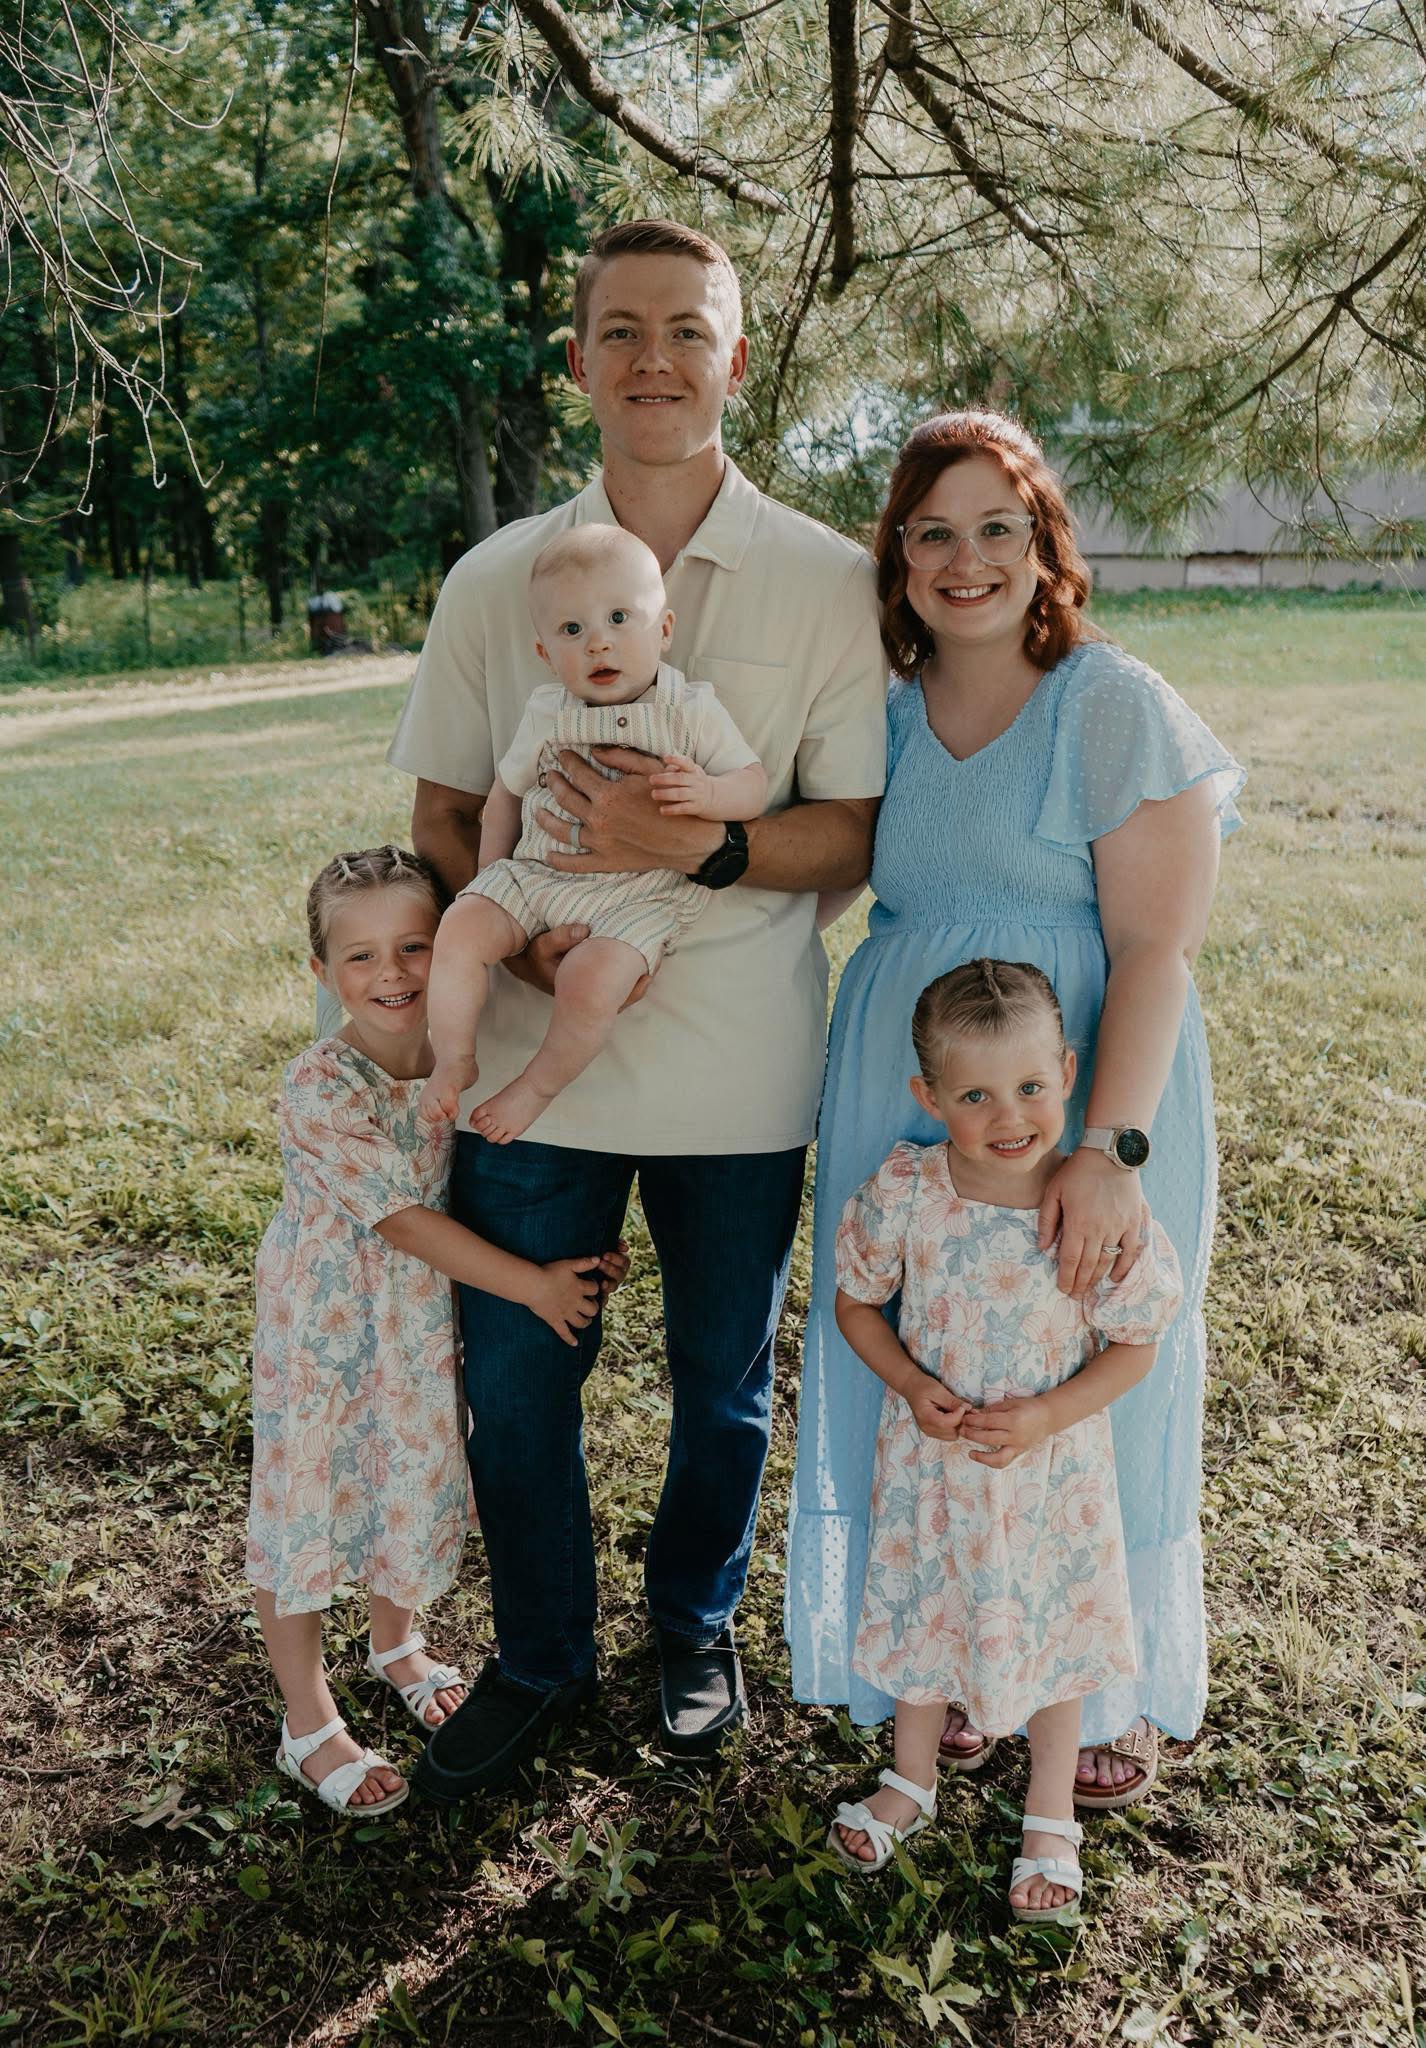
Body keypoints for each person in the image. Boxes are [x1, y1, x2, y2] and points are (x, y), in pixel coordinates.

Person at [385, 219, 886, 1799]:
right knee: (517, 1379)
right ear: (578, 360)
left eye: (687, 330)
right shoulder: (495, 581)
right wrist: (535, 956)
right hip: (531, 1067)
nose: (654, 359)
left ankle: (692, 1630)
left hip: (741, 1067)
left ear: (735, 358)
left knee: (719, 1383)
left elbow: (851, 829)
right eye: (621, 330)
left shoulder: (828, 580)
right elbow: (443, 808)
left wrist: (702, 853)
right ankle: (538, 1655)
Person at [788, 409, 1245, 1807]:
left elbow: (1156, 947)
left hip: (1077, 1099)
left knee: (1083, 1369)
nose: (964, 558)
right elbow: (810, 873)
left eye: (997, 527)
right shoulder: (879, 709)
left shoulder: (1106, 703)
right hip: (910, 1092)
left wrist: (1107, 1148)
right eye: (931, 531)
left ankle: (1093, 1686)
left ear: (1045, 546)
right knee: (927, 1367)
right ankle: (948, 1654)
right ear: (897, 557)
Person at [248, 846, 626, 1817]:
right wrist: (533, 1286)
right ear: (321, 971)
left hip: (418, 1323)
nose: (393, 973)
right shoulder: (319, 1084)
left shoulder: (464, 1058)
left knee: (413, 1475)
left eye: (415, 945)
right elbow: (406, 1220)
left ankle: (396, 1641)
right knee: (307, 1503)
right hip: (327, 1332)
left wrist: (573, 1261)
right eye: (361, 955)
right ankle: (307, 1717)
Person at [824, 961, 1182, 1921]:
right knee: (923, 1614)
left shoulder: (1091, 1211)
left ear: (1067, 1074)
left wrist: (1048, 1415)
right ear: (928, 1097)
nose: (1008, 1116)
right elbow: (856, 1303)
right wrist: (911, 1384)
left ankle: (1050, 1814)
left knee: (1054, 1628)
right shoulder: (908, 1190)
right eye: (975, 1095)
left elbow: (1138, 1344)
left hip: (1050, 1474)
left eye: (1029, 1086)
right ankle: (911, 1780)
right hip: (934, 1469)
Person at [421, 524, 766, 1142]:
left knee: (590, 982)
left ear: (664, 629)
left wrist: (710, 795)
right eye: (572, 629)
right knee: (460, 926)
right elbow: (505, 797)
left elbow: (752, 782)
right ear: (545, 653)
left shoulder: (691, 710)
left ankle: (536, 1087)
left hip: (639, 897)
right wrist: (491, 885)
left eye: (618, 619)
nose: (598, 643)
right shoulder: (546, 714)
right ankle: (453, 1056)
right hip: (538, 873)